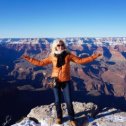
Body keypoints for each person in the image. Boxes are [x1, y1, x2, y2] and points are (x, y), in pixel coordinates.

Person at [22, 39, 102, 126]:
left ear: (64, 46)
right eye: (58, 45)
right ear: (55, 46)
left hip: (66, 80)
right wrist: (29, 58)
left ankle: (72, 119)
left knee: (68, 101)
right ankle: (59, 117)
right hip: (55, 81)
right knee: (57, 101)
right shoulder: (52, 56)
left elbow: (81, 60)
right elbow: (41, 63)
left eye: (62, 45)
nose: (60, 47)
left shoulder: (68, 55)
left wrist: (94, 56)